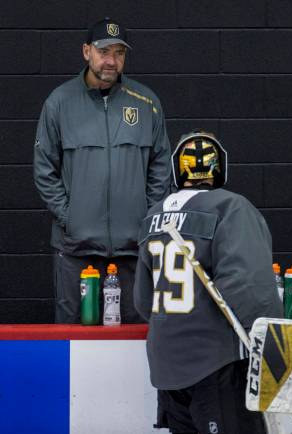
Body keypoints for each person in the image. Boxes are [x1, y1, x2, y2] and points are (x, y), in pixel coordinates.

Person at [133, 130, 283, 433]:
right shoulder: (231, 207)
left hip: (166, 366)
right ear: (219, 167)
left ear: (179, 169)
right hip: (216, 364)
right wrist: (275, 353)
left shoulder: (154, 217)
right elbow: (249, 289)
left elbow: (143, 300)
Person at [33, 17, 171, 324]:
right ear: (86, 52)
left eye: (119, 53)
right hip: (76, 251)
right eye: (103, 51)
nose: (111, 61)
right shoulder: (59, 103)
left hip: (133, 250)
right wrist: (71, 217)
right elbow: (44, 170)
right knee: (72, 336)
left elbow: (161, 166)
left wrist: (146, 217)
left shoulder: (147, 103)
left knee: (135, 341)